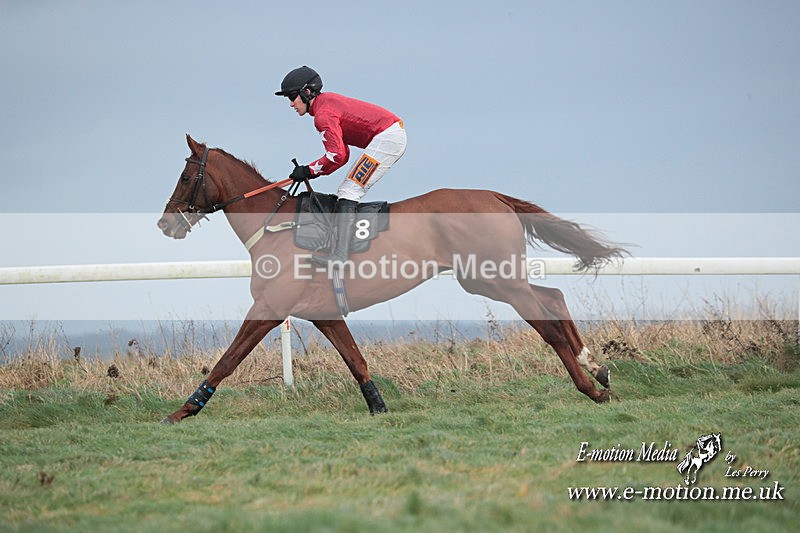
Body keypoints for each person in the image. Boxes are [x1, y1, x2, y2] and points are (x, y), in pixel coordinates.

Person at [275, 66, 407, 267]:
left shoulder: (323, 115)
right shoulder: (325, 106)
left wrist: (309, 170)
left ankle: (340, 256)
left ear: (307, 92)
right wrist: (310, 171)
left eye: (293, 96)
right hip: (389, 134)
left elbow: (335, 156)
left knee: (349, 190)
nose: (291, 103)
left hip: (387, 137)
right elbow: (342, 155)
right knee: (349, 188)